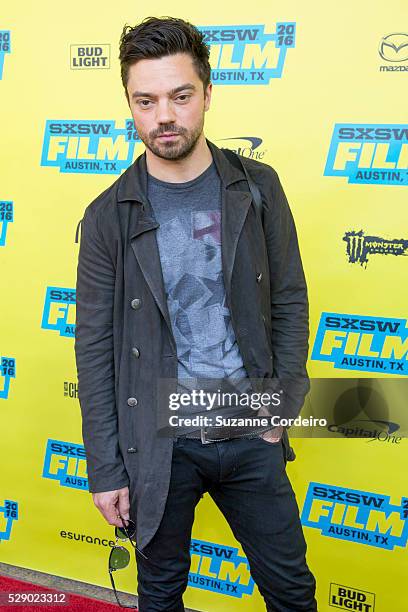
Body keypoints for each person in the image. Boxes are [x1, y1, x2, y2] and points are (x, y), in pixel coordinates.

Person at [74, 15, 317, 612]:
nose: (165, 116)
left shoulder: (257, 187)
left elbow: (288, 298)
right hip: (159, 440)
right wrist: (106, 469)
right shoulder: (109, 216)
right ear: (129, 105)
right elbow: (94, 347)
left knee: (291, 591)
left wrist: (281, 402)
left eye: (181, 96)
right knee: (160, 595)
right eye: (146, 100)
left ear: (207, 94)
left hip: (248, 426)